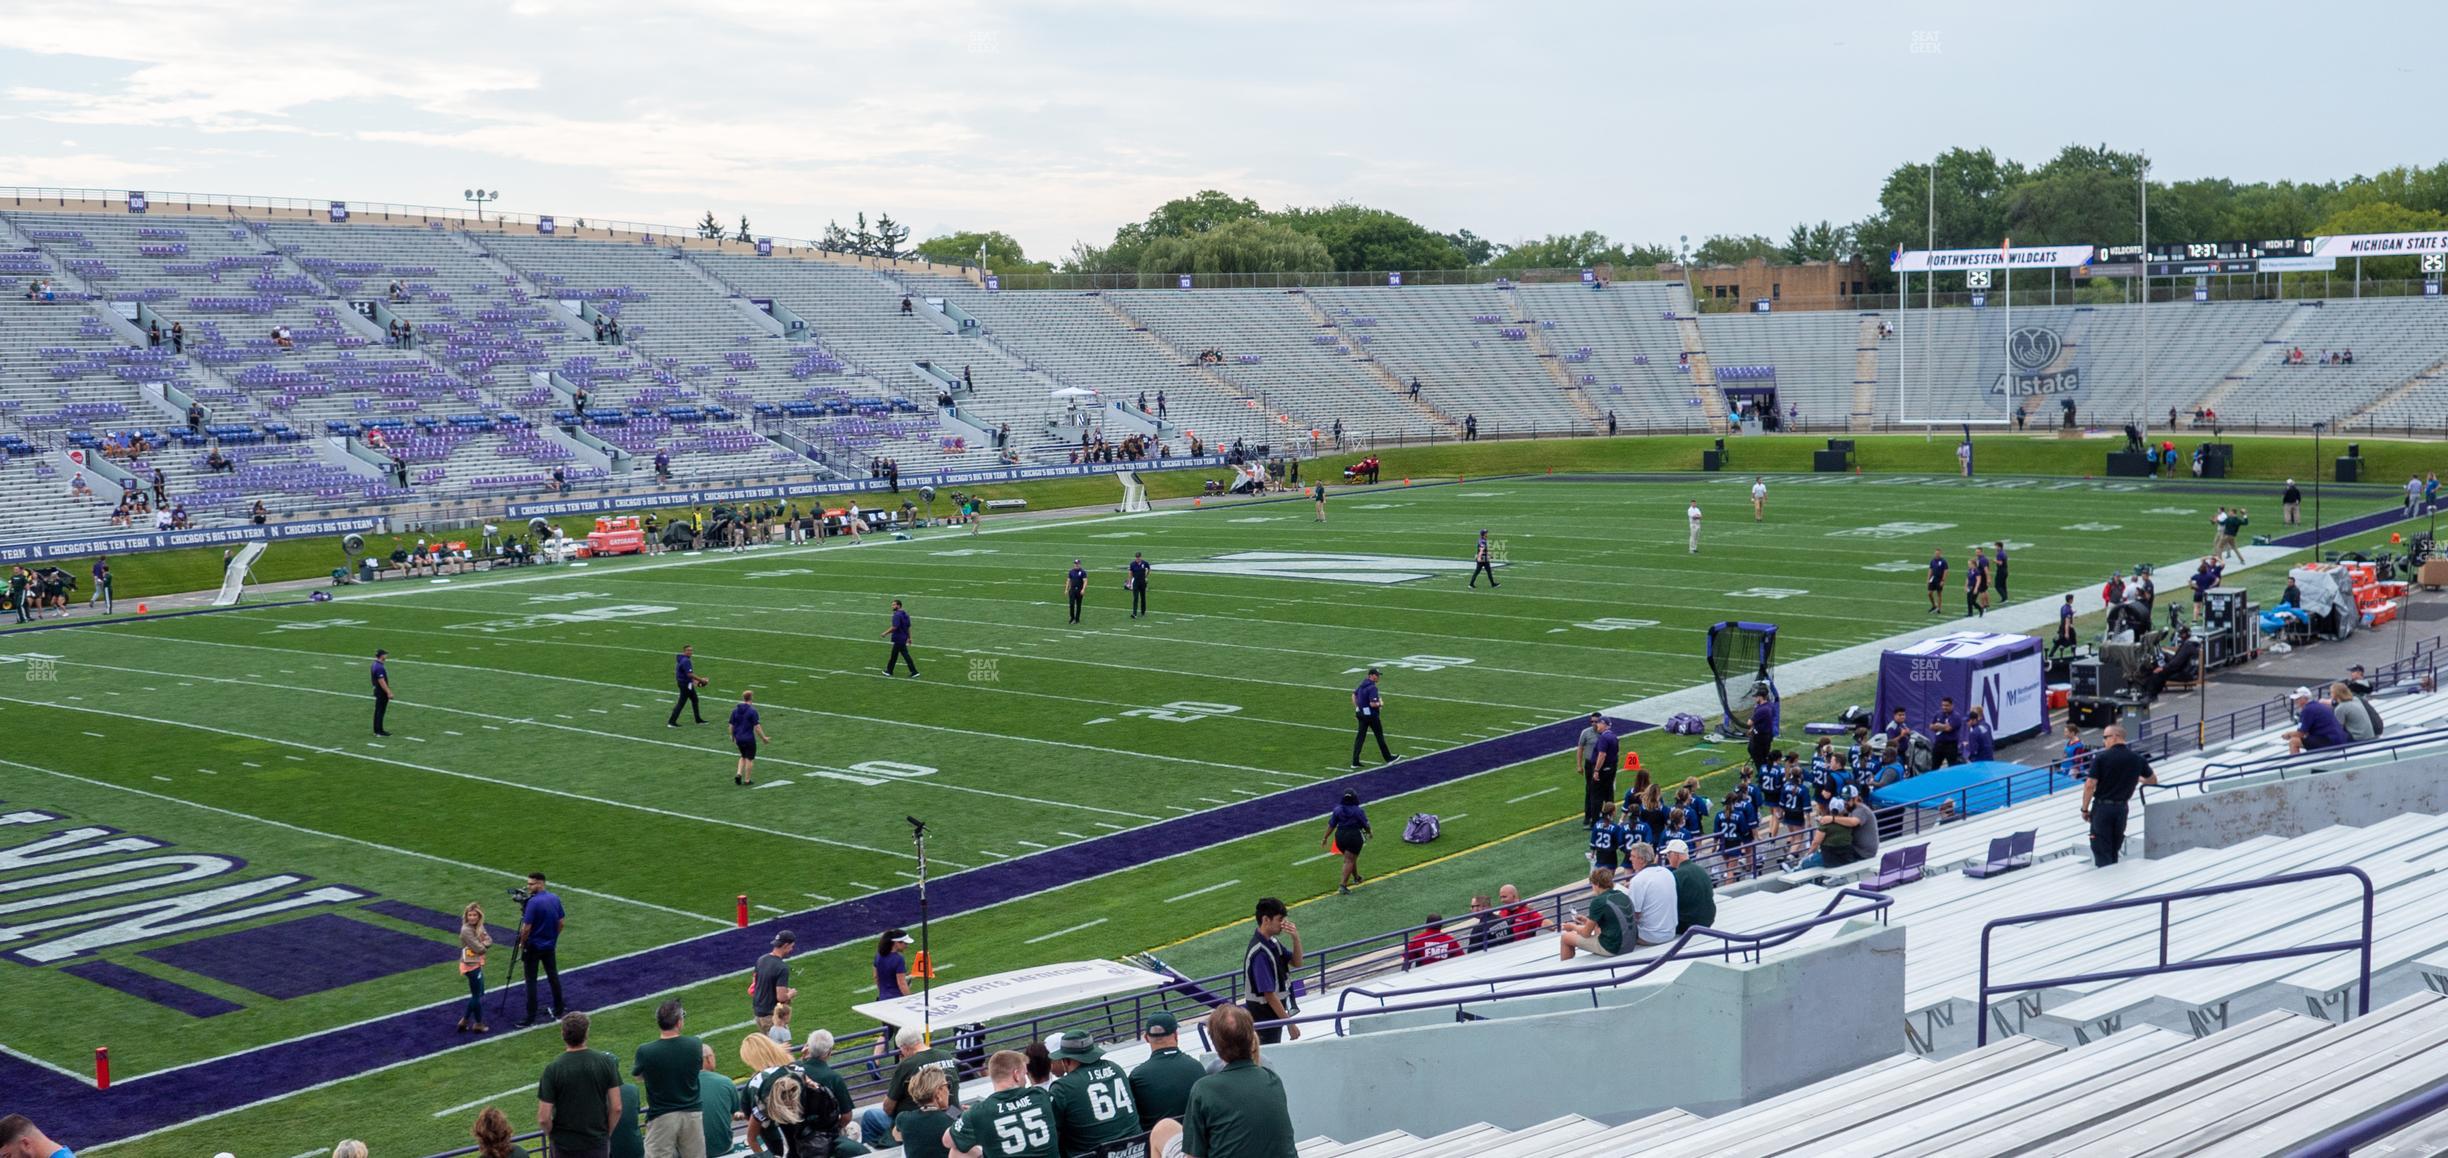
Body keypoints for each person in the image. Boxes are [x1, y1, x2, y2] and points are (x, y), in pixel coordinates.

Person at [1145, 1005, 1293, 1158]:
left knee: (1162, 1129)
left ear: (1215, 1044)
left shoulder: (1204, 1089)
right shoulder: (1272, 1079)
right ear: (1251, 1037)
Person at [538, 1012, 623, 1158]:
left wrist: (554, 1137)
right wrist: (604, 1135)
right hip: (596, 1143)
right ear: (586, 1033)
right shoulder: (605, 1062)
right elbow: (617, 1107)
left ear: (563, 1034)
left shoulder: (553, 1069)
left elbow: (543, 1118)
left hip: (564, 1146)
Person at [946, 1050, 1057, 1158]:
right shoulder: (1039, 1095)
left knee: (957, 1150)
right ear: (1016, 1075)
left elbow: (947, 1141)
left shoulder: (979, 1112)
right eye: (1024, 1074)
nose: (1025, 1079)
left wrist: (970, 1117)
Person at [1044, 1033, 1140, 1156]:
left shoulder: (1063, 1087)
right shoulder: (1116, 1069)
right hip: (1135, 1151)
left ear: (1066, 1060)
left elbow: (1050, 1132)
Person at [632, 1000, 705, 1158]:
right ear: (679, 1022)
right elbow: (697, 1068)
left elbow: (638, 1076)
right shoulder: (694, 1044)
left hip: (661, 1117)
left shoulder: (645, 1051)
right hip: (692, 1114)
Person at [2081, 724, 2156, 867]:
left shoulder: (2102, 758)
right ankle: (2113, 875)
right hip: (2121, 809)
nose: (2104, 741)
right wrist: (2138, 778)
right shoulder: (2137, 758)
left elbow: (2090, 784)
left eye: (2105, 737)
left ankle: (2106, 878)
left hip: (2102, 808)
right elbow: (2152, 780)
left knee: (2101, 848)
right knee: (2114, 847)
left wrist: (2084, 809)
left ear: (2115, 737)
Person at [1122, 1012, 1205, 1133]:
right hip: (1198, 1139)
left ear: (1146, 1038)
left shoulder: (1137, 1076)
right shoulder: (1197, 1067)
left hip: (1160, 1142)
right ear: (1176, 1035)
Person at [1243, 897, 1303, 1044]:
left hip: (1272, 1017)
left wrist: (1295, 938)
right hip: (1264, 1021)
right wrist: (1289, 1023)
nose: (1283, 924)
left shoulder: (1272, 942)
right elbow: (1269, 995)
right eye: (1279, 919)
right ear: (1266, 920)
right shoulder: (1260, 953)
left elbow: (1297, 962)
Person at [518, 872, 566, 1028]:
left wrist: (522, 943)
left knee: (531, 981)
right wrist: (553, 937)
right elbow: (561, 923)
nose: (528, 887)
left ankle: (530, 1017)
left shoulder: (533, 903)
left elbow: (526, 928)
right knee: (553, 976)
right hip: (549, 945)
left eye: (531, 884)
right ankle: (559, 1008)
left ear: (540, 883)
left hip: (533, 946)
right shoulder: (554, 898)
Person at [1558, 867, 1633, 960]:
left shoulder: (1598, 901)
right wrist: (1587, 921)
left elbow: (1586, 933)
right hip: (1630, 944)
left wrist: (1572, 927)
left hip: (1614, 948)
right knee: (1597, 929)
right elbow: (1611, 920)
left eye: (1592, 884)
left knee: (1566, 937)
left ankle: (1566, 969)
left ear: (1597, 884)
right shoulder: (1621, 894)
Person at [1619, 842, 1677, 947]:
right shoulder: (1667, 873)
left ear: (1642, 859)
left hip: (1650, 937)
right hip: (1670, 932)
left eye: (1633, 856)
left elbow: (1633, 915)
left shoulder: (1638, 880)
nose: (1630, 859)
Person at [892, 1066, 956, 1158]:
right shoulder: (951, 1118)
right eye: (948, 1086)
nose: (949, 1092)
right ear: (939, 1091)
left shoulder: (904, 1118)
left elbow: (896, 1136)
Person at [690, 1044, 738, 1158]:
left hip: (691, 1151)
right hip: (723, 1147)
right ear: (708, 1059)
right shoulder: (725, 1082)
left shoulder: (678, 1087)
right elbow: (734, 1113)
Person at [1662, 839, 1715, 934]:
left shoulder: (1677, 875)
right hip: (1708, 920)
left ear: (1676, 855)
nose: (1667, 858)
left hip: (1689, 924)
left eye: (1669, 854)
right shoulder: (1700, 869)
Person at [1324, 789, 1370, 894]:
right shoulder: (1358, 810)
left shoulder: (1337, 809)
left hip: (1340, 836)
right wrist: (1369, 832)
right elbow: (1365, 825)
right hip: (1353, 836)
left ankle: (1356, 877)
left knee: (1350, 858)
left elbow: (1331, 825)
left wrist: (1325, 837)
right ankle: (1343, 885)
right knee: (1349, 860)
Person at [458, 901, 494, 1034]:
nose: (472, 918)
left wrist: (483, 944)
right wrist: (483, 944)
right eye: (470, 915)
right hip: (470, 965)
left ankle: (470, 1022)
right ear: (466, 916)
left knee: (478, 993)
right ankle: (473, 1022)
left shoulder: (479, 926)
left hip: (476, 963)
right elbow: (480, 949)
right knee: (477, 995)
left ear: (479, 916)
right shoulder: (466, 930)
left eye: (475, 915)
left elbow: (489, 940)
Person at [1349, 667, 1395, 767]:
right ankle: (1388, 758)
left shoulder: (1362, 684)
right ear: (1371, 675)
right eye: (1376, 675)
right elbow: (1373, 704)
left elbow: (1353, 695)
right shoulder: (1372, 687)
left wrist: (1358, 707)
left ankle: (1355, 762)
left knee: (1360, 738)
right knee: (1379, 736)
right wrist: (1381, 703)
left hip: (1361, 714)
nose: (1378, 677)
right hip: (1371, 716)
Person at [753, 930, 797, 1032]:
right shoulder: (782, 968)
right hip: (772, 1016)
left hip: (758, 1014)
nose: (792, 949)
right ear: (786, 945)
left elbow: (755, 984)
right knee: (781, 1042)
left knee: (767, 1042)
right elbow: (781, 997)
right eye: (791, 946)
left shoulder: (761, 959)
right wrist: (790, 994)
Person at [2141, 627, 2200, 699]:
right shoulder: (2192, 644)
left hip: (2185, 673)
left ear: (2185, 634)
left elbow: (2176, 663)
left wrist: (2163, 668)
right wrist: (2165, 655)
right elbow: (2179, 659)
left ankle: (2150, 695)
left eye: (2181, 634)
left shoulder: (2187, 645)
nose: (2180, 636)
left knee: (2157, 673)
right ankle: (2153, 693)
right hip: (2190, 671)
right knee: (2162, 671)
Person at [730, 690, 771, 787]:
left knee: (743, 756)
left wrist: (732, 736)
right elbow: (757, 727)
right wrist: (763, 738)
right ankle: (747, 780)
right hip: (748, 739)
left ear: (743, 698)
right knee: (749, 759)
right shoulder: (752, 711)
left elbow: (731, 725)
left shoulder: (735, 711)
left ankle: (739, 774)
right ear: (751, 698)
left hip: (738, 738)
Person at [668, 645, 709, 727]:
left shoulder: (682, 659)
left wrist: (695, 682)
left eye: (691, 650)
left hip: (685, 683)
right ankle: (671, 722)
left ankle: (698, 719)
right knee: (681, 703)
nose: (690, 652)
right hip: (685, 685)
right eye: (688, 650)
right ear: (684, 651)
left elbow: (684, 674)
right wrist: (701, 680)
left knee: (695, 700)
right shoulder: (686, 661)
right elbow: (690, 674)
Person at [882, 599, 920, 676]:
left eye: (894, 605)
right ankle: (890, 671)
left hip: (899, 638)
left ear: (898, 606)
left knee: (900, 655)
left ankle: (913, 671)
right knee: (896, 655)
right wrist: (909, 638)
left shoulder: (897, 615)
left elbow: (894, 627)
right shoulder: (905, 615)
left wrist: (885, 633)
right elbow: (908, 627)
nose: (892, 606)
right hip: (903, 638)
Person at [1746, 690, 1776, 775]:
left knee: (1758, 756)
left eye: (1756, 697)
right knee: (1763, 754)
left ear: (1760, 697)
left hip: (1760, 737)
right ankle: (1767, 771)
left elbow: (1749, 722)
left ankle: (1762, 773)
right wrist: (1752, 729)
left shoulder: (1762, 709)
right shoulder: (1770, 705)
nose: (1755, 699)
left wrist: (1752, 723)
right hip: (1767, 735)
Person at [1127, 552, 1151, 618]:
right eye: (1137, 557)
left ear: (1141, 557)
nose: (1137, 558)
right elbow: (1130, 573)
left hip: (1143, 582)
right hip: (1136, 582)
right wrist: (1129, 583)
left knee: (1143, 597)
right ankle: (1134, 613)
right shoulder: (1132, 564)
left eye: (1138, 557)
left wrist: (1146, 576)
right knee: (1135, 598)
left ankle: (1143, 611)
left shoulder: (1145, 563)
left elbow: (1149, 569)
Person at [1064, 559, 1087, 624]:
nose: (1076, 565)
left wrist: (1083, 589)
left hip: (1079, 590)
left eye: (1077, 564)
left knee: (1078, 605)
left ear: (1080, 564)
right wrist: (1066, 589)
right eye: (1075, 563)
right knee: (1071, 604)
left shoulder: (1083, 572)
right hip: (1072, 590)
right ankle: (1072, 618)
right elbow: (1068, 580)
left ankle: (1077, 619)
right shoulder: (1071, 571)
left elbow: (1085, 581)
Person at [1926, 548, 1948, 615]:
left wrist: (1943, 580)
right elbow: (1930, 569)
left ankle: (1939, 608)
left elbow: (1945, 571)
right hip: (1933, 578)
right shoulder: (1932, 561)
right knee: (1929, 593)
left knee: (1939, 594)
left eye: (1938, 553)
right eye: (1936, 553)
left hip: (1939, 579)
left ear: (1940, 554)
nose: (1937, 554)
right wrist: (1928, 578)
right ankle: (1934, 605)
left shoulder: (1943, 561)